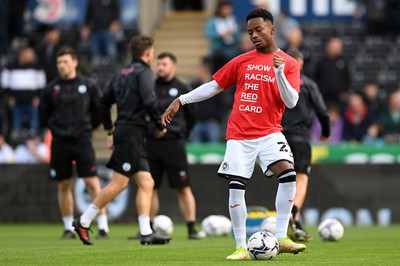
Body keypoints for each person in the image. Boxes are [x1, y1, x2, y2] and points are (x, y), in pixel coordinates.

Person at [161, 9, 306, 260]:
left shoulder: (289, 64)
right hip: (240, 134)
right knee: (236, 186)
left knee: (289, 174)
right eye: (250, 32)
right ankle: (241, 246)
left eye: (258, 30)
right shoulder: (241, 61)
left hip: (271, 132)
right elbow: (214, 86)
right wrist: (181, 100)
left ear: (272, 29)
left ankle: (281, 237)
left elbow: (291, 102)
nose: (254, 35)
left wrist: (280, 73)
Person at [72, 35, 171, 246]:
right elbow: (149, 100)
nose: (152, 56)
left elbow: (103, 102)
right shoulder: (144, 72)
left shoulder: (119, 74)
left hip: (126, 131)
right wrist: (160, 124)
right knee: (119, 183)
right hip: (132, 133)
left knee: (147, 182)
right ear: (147, 53)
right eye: (152, 53)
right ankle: (83, 220)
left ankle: (146, 232)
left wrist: (109, 130)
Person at [38, 46, 109, 240]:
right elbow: (43, 115)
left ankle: (103, 226)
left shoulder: (89, 86)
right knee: (64, 184)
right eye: (59, 62)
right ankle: (68, 227)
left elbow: (99, 112)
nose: (62, 65)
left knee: (92, 183)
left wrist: (87, 128)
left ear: (75, 62)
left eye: (65, 62)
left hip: (82, 141)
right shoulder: (51, 88)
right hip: (60, 142)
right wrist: (55, 129)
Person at [147, 52, 199, 239]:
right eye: (158, 64)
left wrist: (181, 133)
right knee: (150, 187)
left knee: (183, 186)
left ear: (173, 67)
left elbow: (193, 116)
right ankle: (148, 228)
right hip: (151, 144)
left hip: (174, 145)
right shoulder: (149, 88)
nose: (160, 67)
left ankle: (191, 227)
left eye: (164, 64)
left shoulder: (183, 89)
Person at [281, 49, 330, 242]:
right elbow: (322, 111)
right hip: (300, 137)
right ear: (299, 63)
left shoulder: (276, 82)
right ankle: (293, 212)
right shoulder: (308, 84)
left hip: (277, 138)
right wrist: (326, 131)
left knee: (285, 181)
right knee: (301, 179)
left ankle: (295, 223)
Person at [1, 46, 46, 143]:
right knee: (17, 126)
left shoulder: (37, 67)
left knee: (34, 125)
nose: (31, 56)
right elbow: (4, 84)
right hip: (16, 102)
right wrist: (9, 97)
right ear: (21, 54)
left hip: (32, 102)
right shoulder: (10, 67)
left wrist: (38, 98)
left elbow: (42, 85)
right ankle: (17, 145)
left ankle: (35, 143)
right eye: (28, 54)